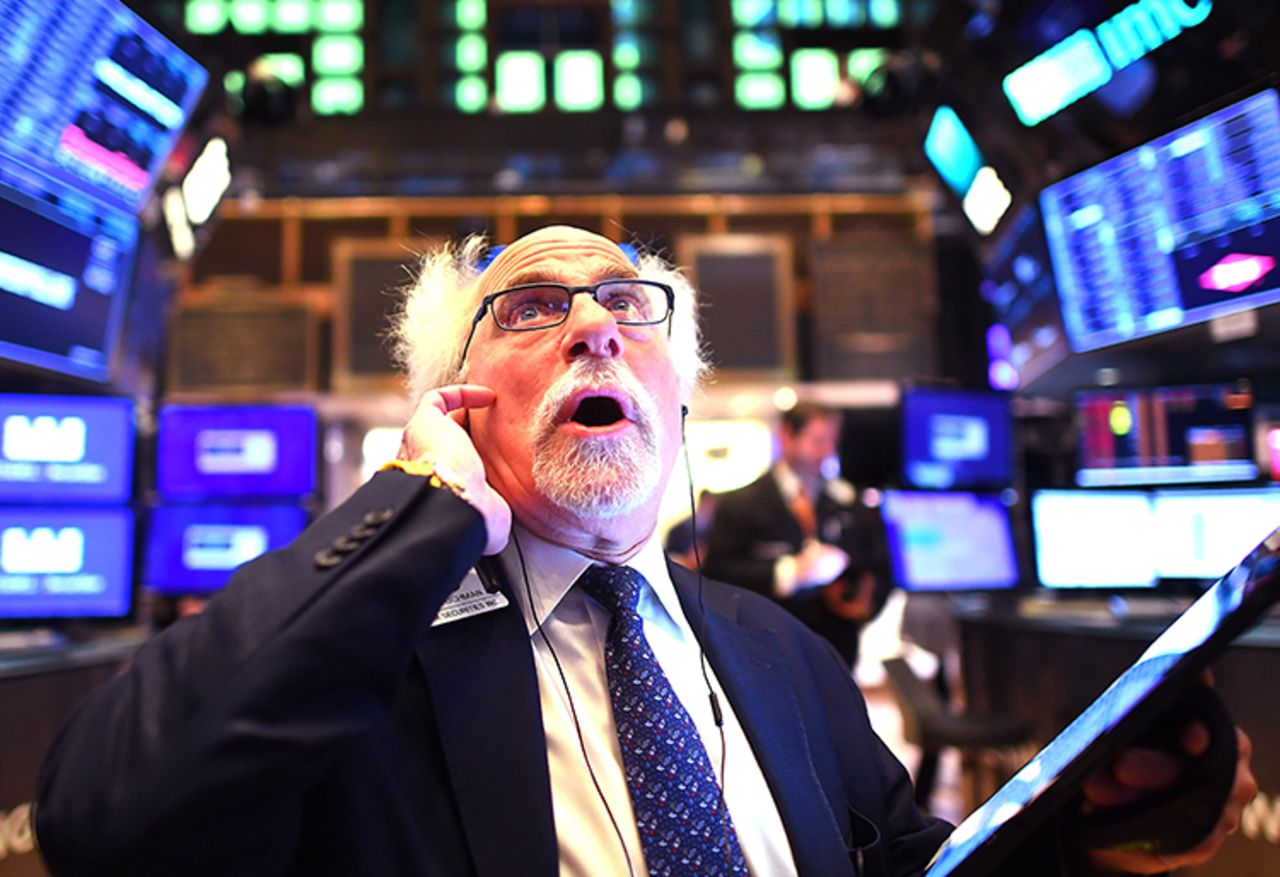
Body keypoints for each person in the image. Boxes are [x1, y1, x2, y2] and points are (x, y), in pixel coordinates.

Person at [34, 226, 1255, 877]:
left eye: (627, 306)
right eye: (527, 306)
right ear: (447, 402)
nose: (590, 327)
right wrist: (418, 508)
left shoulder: (779, 654)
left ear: (680, 397)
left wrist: (1082, 831)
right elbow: (107, 822)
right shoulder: (357, 657)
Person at [703, 402, 892, 668]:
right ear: (787, 435)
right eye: (818, 441)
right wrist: (788, 572)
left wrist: (861, 602)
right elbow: (716, 574)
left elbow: (878, 567)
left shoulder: (848, 503)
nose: (827, 452)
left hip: (835, 653)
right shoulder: (740, 504)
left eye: (832, 442)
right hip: (768, 653)